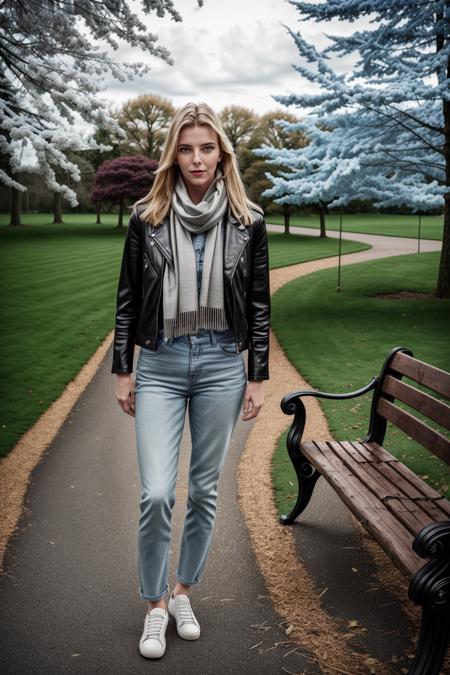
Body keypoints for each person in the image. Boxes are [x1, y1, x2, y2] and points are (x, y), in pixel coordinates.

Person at [111, 101, 270, 659]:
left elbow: (257, 302)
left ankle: (183, 592)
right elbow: (128, 299)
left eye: (206, 147)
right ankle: (154, 605)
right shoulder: (145, 217)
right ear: (172, 154)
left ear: (221, 152)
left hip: (223, 362)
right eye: (186, 147)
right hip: (160, 362)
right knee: (156, 492)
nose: (197, 158)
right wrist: (123, 369)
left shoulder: (249, 220)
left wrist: (256, 377)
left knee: (203, 490)